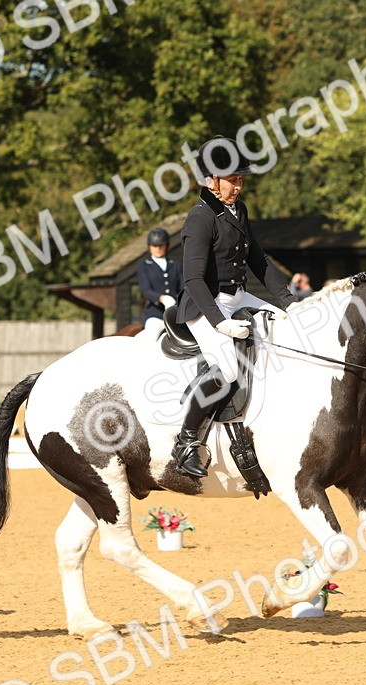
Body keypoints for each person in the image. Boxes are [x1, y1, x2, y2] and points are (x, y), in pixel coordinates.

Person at [173, 136, 297, 478]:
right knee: (227, 369)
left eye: (241, 180)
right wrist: (219, 323)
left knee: (285, 324)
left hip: (238, 297)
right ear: (211, 181)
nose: (238, 187)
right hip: (204, 305)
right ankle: (186, 442)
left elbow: (259, 260)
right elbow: (193, 280)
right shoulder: (200, 218)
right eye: (233, 180)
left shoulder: (238, 211)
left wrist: (288, 302)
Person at [137, 227, 183, 323]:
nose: (158, 249)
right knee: (153, 331)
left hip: (176, 311)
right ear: (149, 246)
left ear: (166, 246)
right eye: (155, 246)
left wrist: (176, 299)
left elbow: (183, 287)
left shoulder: (176, 265)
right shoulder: (144, 266)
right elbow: (145, 290)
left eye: (161, 245)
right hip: (154, 313)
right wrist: (161, 298)